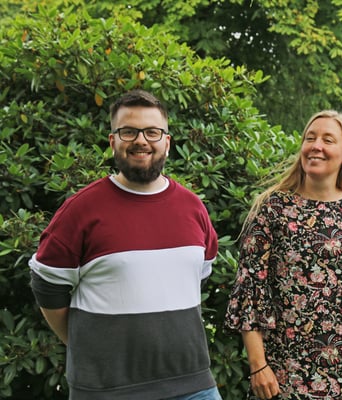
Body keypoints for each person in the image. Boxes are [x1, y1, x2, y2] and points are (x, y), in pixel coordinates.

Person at [29, 89, 222, 400]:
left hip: (193, 385)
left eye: (152, 131)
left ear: (167, 142)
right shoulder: (80, 211)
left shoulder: (193, 208)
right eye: (128, 131)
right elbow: (47, 288)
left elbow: (195, 278)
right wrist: (84, 344)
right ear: (113, 141)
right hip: (107, 390)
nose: (141, 140)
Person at [224, 110, 342, 400]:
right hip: (289, 374)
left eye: (327, 139)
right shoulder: (273, 210)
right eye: (310, 138)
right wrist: (258, 366)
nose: (316, 145)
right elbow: (250, 290)